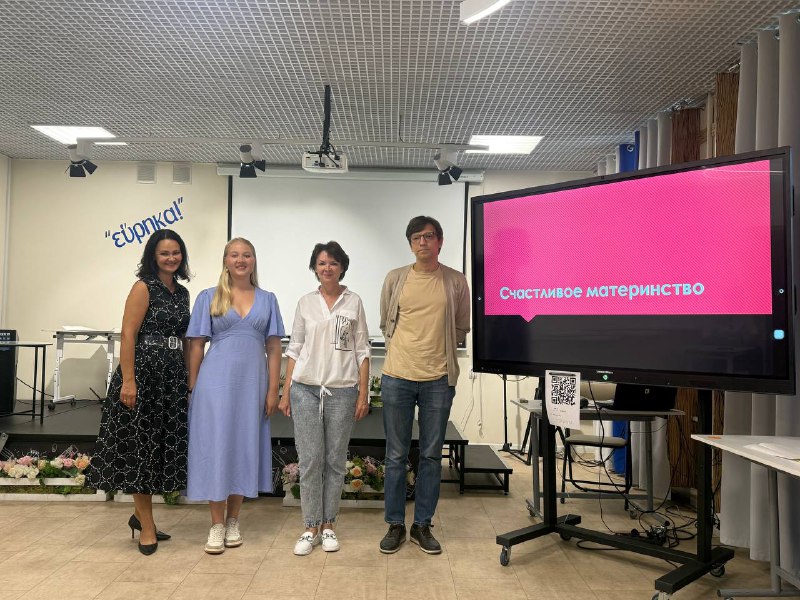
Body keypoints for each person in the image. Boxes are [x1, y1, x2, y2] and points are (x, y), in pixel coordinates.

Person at [86, 229, 191, 556]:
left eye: (176, 252)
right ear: (152, 257)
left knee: (158, 451)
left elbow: (185, 339)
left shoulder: (182, 293)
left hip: (171, 377)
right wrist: (129, 381)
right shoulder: (143, 287)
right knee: (140, 450)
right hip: (143, 376)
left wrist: (188, 380)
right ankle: (146, 525)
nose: (171, 258)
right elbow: (128, 335)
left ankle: (141, 515)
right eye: (164, 253)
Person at [186, 237, 284, 554]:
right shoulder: (208, 296)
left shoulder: (268, 299)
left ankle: (233, 520)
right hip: (214, 385)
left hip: (252, 386)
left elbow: (274, 348)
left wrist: (273, 390)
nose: (241, 260)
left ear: (254, 260)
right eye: (234, 255)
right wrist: (193, 386)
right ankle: (216, 525)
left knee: (243, 447)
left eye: (247, 255)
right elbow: (197, 345)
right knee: (217, 447)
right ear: (225, 261)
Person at [378, 216, 470, 555]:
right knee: (395, 455)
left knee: (431, 456)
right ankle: (395, 524)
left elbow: (461, 326)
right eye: (416, 237)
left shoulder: (455, 281)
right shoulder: (395, 278)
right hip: (397, 377)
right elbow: (386, 321)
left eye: (429, 236)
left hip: (438, 380)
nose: (422, 242)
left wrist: (438, 352)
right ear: (410, 243)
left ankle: (422, 525)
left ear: (440, 241)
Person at [279, 241, 370, 556]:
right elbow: (294, 348)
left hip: (343, 391)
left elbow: (362, 350)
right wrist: (286, 391)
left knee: (334, 460)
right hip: (305, 389)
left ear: (342, 267)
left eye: (332, 263)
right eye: (321, 263)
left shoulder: (353, 302)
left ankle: (329, 524)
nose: (327, 268)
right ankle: (310, 527)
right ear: (314, 268)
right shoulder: (306, 303)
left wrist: (363, 393)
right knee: (310, 460)